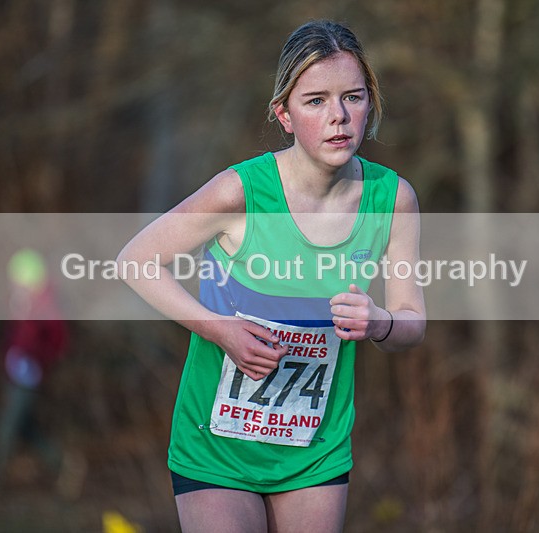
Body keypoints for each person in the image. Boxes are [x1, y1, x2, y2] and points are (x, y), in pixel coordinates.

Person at [118, 20, 426, 532]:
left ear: (370, 102)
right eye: (316, 101)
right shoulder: (240, 192)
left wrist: (379, 323)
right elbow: (136, 261)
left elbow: (412, 321)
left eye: (353, 97)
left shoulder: (393, 200)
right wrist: (219, 329)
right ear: (284, 114)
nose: (339, 117)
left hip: (315, 450)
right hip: (217, 446)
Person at [0, 248, 84, 503]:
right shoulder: (22, 301)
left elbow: (57, 342)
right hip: (13, 371)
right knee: (24, 427)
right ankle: (66, 465)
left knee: (6, 426)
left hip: (28, 376)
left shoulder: (46, 307)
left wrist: (39, 363)